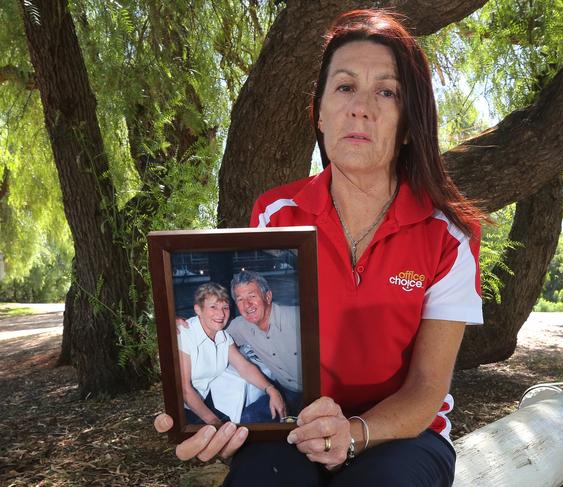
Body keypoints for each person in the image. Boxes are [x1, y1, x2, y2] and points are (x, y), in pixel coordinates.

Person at [155, 9, 485, 486]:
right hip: (295, 428)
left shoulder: (449, 235)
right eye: (345, 87)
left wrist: (351, 434)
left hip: (401, 436)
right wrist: (200, 413)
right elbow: (225, 343)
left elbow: (425, 389)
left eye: (387, 92)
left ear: (409, 123)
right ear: (320, 113)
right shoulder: (275, 213)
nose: (361, 108)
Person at [179, 282, 287, 425]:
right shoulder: (184, 335)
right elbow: (184, 390)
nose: (221, 314)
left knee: (262, 409)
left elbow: (244, 367)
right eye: (213, 307)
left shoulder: (222, 336)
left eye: (225, 307)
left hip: (207, 398)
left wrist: (272, 390)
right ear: (198, 310)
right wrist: (214, 423)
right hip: (185, 408)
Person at [228, 270, 303, 421]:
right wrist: (178, 321)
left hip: (319, 392)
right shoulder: (240, 326)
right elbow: (211, 333)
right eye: (240, 299)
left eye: (252, 296)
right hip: (285, 391)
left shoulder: (299, 318)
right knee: (247, 419)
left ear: (267, 297)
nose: (247, 304)